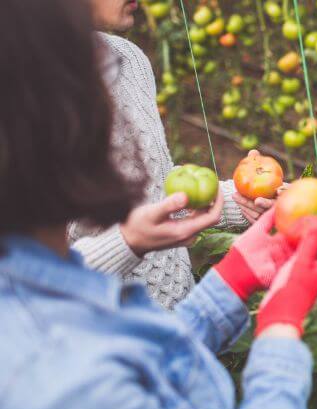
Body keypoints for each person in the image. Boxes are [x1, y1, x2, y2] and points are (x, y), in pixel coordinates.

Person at [0, 1, 317, 409]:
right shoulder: (64, 386)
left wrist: (228, 287)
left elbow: (136, 363)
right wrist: (279, 333)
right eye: (92, 78)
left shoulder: (37, 289)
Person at [69, 0, 275, 309]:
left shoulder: (129, 61)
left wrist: (239, 199)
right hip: (99, 343)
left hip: (177, 326)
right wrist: (129, 242)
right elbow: (24, 283)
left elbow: (152, 191)